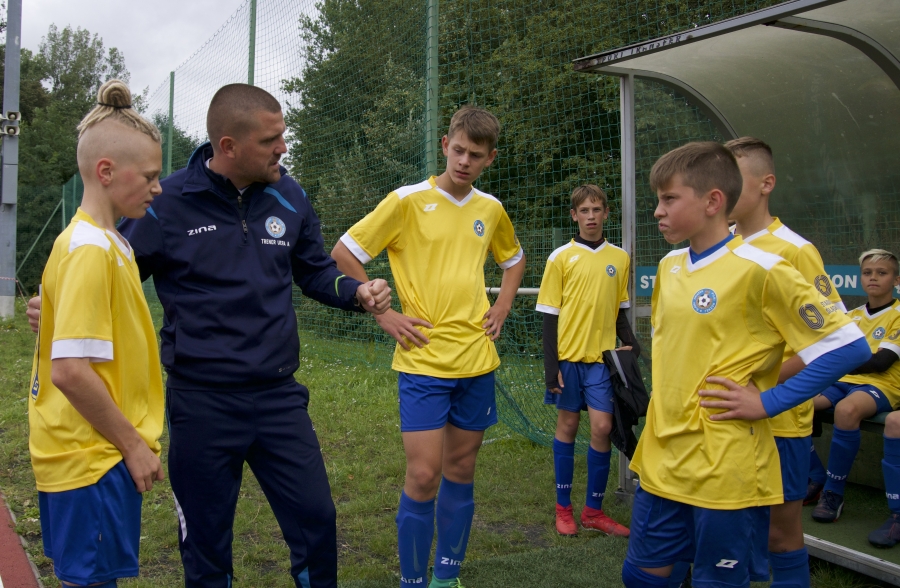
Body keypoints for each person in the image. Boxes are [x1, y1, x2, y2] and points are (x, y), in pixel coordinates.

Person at [29, 83, 392, 588]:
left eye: (282, 136)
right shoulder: (164, 199)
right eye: (271, 140)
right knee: (205, 543)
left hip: (277, 398)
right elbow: (114, 275)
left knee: (317, 521)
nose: (282, 148)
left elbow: (313, 270)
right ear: (229, 146)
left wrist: (356, 291)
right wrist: (57, 305)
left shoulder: (289, 194)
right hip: (200, 402)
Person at [621, 141, 869, 588]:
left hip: (725, 463)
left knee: (718, 581)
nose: (657, 211)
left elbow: (848, 346)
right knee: (640, 576)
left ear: (713, 201)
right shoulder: (668, 266)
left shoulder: (765, 268)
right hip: (663, 456)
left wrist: (769, 401)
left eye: (669, 199)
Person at [331, 106, 525, 588]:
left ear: (489, 159)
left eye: (475, 155)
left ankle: (446, 578)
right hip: (422, 360)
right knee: (423, 475)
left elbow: (514, 261)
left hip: (477, 359)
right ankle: (412, 582)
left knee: (461, 468)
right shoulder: (405, 201)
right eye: (458, 150)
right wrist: (384, 313)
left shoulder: (491, 209)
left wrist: (501, 306)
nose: (464, 161)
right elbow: (345, 254)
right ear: (445, 145)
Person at [28, 80, 166, 587]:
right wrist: (132, 444)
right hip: (93, 455)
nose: (158, 187)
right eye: (150, 176)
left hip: (87, 451)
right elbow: (69, 371)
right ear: (106, 171)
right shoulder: (91, 249)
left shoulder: (101, 242)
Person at [725, 136, 846, 583]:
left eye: (733, 178)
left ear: (765, 184)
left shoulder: (794, 249)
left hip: (778, 420)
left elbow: (831, 342)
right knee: (730, 527)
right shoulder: (722, 246)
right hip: (728, 416)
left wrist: (763, 383)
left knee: (780, 533)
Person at [535, 184, 637, 538]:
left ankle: (593, 510)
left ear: (606, 213)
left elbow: (620, 312)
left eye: (597, 210)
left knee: (602, 428)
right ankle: (563, 509)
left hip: (601, 362)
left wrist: (632, 345)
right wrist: (552, 369)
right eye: (584, 211)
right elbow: (549, 318)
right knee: (567, 427)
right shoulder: (560, 257)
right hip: (567, 361)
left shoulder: (620, 258)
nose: (591, 216)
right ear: (574, 216)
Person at [810, 249, 900, 524]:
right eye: (867, 273)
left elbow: (880, 362)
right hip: (843, 382)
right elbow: (828, 353)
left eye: (882, 273)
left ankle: (834, 493)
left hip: (881, 386)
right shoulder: (852, 315)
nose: (873, 278)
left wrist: (843, 360)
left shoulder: (898, 314)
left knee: (847, 410)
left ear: (896, 279)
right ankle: (816, 480)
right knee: (797, 405)